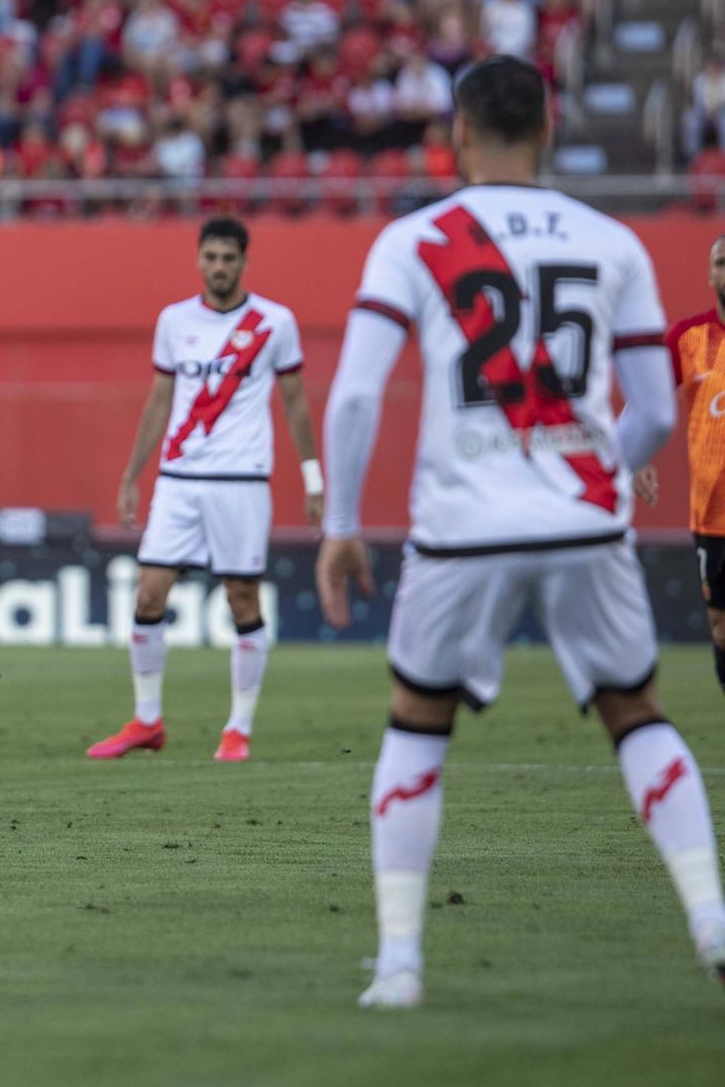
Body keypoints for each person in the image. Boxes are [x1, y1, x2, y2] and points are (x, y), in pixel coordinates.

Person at [317, 55, 724, 1008]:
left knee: (419, 725)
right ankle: (710, 920)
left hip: (462, 527)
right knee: (637, 712)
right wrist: (592, 472)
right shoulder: (611, 240)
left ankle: (402, 965)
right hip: (586, 524)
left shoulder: (415, 241)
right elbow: (657, 411)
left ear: (456, 132)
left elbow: (358, 395)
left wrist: (341, 523)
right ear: (549, 130)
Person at [89, 216, 322, 763]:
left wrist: (314, 479)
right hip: (178, 480)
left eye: (229, 258)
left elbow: (296, 403)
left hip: (241, 480)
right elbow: (159, 401)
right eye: (211, 257)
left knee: (242, 597)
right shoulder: (174, 321)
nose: (219, 267)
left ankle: (238, 728)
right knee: (148, 593)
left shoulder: (274, 323)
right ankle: (147, 721)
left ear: (244, 262)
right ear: (199, 260)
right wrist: (131, 475)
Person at [646, 234, 725, 695]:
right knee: (720, 628)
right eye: (721, 262)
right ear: (709, 274)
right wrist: (638, 457)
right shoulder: (688, 338)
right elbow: (647, 402)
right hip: (712, 515)